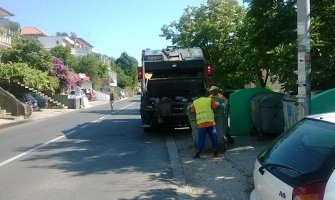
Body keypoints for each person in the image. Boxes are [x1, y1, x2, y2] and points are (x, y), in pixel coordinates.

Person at [191, 93, 220, 158]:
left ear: (198, 97)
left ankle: (198, 154)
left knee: (201, 138)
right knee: (214, 137)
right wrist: (218, 103)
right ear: (206, 95)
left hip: (201, 124)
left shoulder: (195, 102)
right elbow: (215, 106)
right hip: (210, 122)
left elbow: (192, 110)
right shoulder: (209, 100)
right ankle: (216, 153)